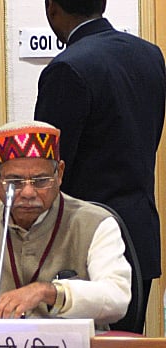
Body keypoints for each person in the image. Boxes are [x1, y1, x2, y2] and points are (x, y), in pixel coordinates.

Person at [34, 0, 166, 331]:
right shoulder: (150, 56)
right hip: (139, 234)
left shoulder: (67, 68)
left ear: (51, 8)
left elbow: (48, 170)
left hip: (85, 245)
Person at [0, 121, 131, 329]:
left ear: (59, 174)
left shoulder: (95, 223)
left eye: (41, 181)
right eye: (14, 182)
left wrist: (48, 292)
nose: (28, 193)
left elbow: (117, 297)